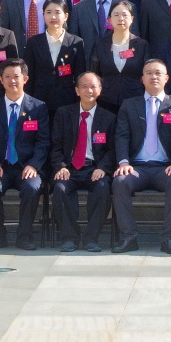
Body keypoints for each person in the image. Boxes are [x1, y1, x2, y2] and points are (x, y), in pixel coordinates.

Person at [0, 60, 52, 251]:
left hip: (27, 166)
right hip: (1, 166)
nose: (12, 81)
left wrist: (34, 165)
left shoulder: (38, 107)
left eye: (16, 77)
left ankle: (25, 236)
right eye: (7, 77)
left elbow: (43, 142)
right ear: (0, 80)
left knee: (32, 187)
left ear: (25, 79)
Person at [48, 69, 115, 252]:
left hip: (94, 168)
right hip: (69, 168)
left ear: (100, 90)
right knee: (60, 188)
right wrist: (60, 166)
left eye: (93, 86)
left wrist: (103, 168)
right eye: (84, 87)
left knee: (103, 188)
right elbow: (55, 146)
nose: (89, 90)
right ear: (77, 90)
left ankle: (91, 237)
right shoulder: (63, 114)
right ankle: (70, 237)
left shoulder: (109, 118)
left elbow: (112, 150)